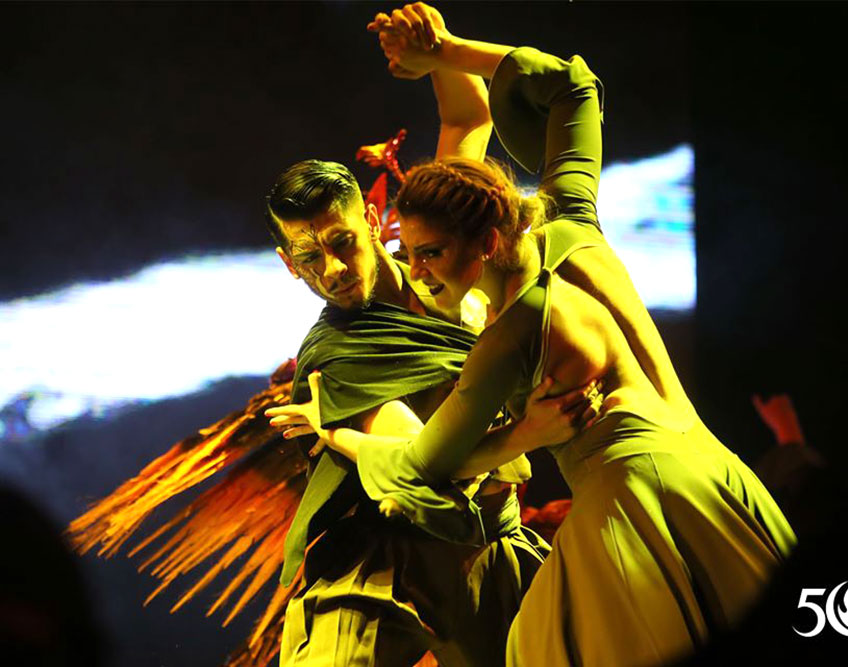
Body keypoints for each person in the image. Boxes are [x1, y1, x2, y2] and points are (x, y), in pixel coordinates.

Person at [277, 4, 798, 664]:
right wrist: (446, 51)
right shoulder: (573, 224)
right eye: (412, 251)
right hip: (717, 479)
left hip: (637, 507)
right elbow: (572, 89)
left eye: (430, 253)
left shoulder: (512, 333)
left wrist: (330, 430)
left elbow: (419, 464)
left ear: (484, 243)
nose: (418, 268)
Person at [262, 48, 594, 666]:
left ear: (370, 219)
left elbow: (469, 118)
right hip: (385, 559)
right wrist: (528, 434)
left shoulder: (439, 253)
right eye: (308, 258)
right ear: (288, 263)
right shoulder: (337, 354)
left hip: (493, 544)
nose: (331, 270)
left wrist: (434, 46)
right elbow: (426, 464)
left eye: (341, 243)